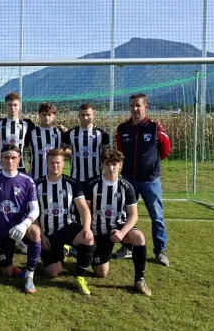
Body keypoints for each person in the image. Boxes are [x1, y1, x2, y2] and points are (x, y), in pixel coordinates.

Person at [114, 93, 172, 266]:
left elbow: (165, 149)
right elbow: (120, 150)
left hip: (150, 181)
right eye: (132, 105)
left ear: (146, 107)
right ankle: (128, 247)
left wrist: (151, 166)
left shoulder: (155, 127)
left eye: (138, 105)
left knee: (157, 216)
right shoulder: (123, 128)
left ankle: (160, 250)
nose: (134, 109)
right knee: (123, 215)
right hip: (129, 179)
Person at [83, 149, 151, 296]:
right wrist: (87, 230)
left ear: (120, 165)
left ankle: (139, 279)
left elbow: (133, 215)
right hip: (98, 231)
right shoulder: (92, 184)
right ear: (103, 165)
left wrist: (122, 232)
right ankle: (95, 255)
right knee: (101, 273)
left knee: (139, 237)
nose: (111, 168)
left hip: (119, 228)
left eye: (114, 164)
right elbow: (85, 211)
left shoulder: (126, 187)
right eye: (107, 164)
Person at [33, 148, 94, 295]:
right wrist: (40, 235)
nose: (55, 166)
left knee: (88, 239)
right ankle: (62, 252)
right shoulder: (37, 184)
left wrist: (86, 228)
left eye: (58, 163)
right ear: (47, 163)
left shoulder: (72, 183)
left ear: (63, 163)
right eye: (52, 162)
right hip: (47, 233)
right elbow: (32, 213)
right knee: (53, 273)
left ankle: (80, 277)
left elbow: (84, 209)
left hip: (67, 227)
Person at [0, 144, 41, 294]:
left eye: (14, 157)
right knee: (6, 272)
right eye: (6, 157)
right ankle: (11, 266)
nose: (10, 161)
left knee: (35, 231)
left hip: (21, 226)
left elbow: (35, 209)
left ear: (19, 159)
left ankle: (29, 274)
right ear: (1, 158)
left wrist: (24, 225)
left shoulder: (27, 180)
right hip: (1, 228)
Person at [0, 92, 36, 172]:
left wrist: (58, 127)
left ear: (19, 106)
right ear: (5, 106)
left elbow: (40, 131)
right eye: (10, 105)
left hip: (20, 166)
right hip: (1, 166)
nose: (12, 108)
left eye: (15, 105)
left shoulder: (27, 124)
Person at [65, 103, 111, 183]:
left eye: (88, 115)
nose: (85, 118)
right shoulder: (70, 133)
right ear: (78, 116)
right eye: (82, 115)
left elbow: (108, 154)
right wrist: (73, 154)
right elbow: (61, 151)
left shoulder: (103, 134)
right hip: (76, 178)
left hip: (96, 178)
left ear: (94, 115)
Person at [26, 102, 66, 181]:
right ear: (39, 115)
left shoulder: (60, 132)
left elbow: (64, 149)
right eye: (44, 114)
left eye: (49, 114)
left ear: (54, 115)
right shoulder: (31, 132)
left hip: (55, 176)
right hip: (36, 176)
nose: (46, 117)